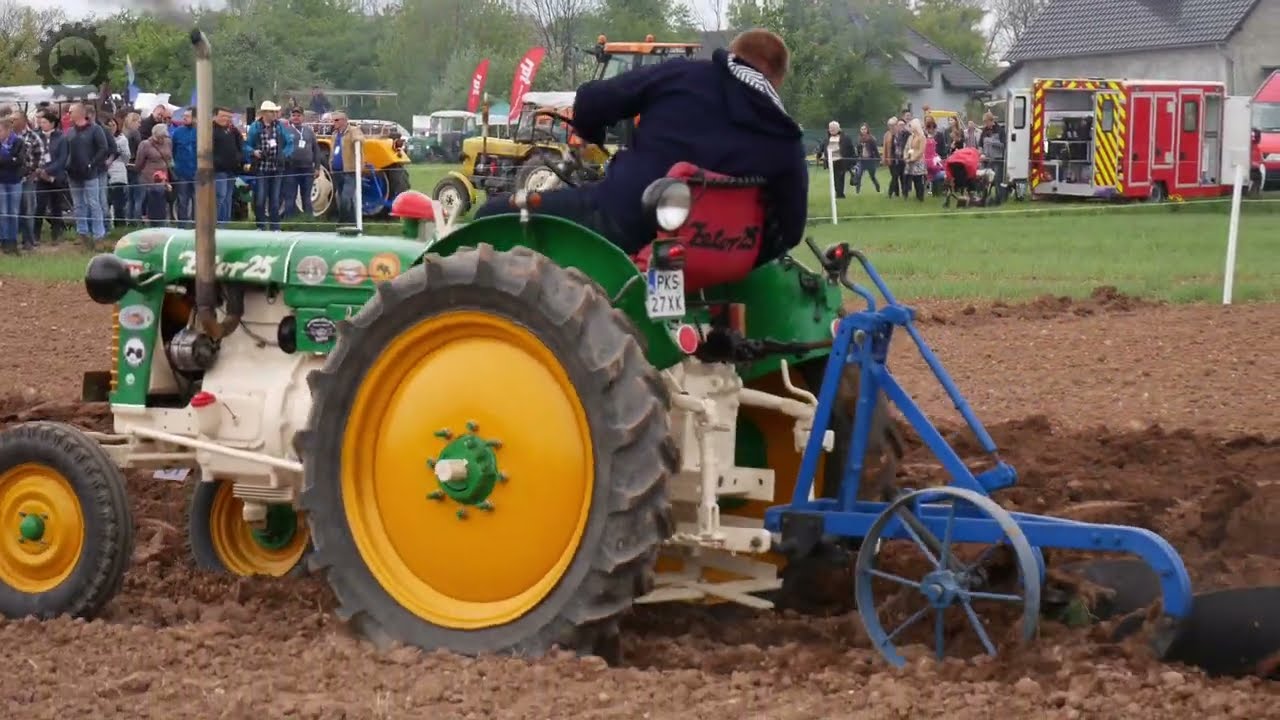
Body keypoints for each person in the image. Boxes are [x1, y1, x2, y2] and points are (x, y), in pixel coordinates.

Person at [474, 28, 808, 261]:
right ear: (777, 79)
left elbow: (591, 98)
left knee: (491, 216)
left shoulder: (686, 76)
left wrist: (592, 131)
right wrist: (738, 256)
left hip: (626, 221)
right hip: (724, 255)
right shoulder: (787, 138)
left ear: (733, 56)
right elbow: (790, 231)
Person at [243, 101, 295, 231]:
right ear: (265, 113)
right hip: (261, 168)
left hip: (277, 168)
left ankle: (275, 226)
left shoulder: (279, 126)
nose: (275, 114)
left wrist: (283, 155)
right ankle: (260, 225)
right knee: (260, 198)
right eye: (272, 112)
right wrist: (254, 152)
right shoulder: (255, 127)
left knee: (275, 198)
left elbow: (290, 142)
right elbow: (247, 145)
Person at [64, 103, 110, 247]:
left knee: (94, 203)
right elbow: (66, 150)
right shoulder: (70, 132)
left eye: (70, 111)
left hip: (90, 173)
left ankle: (99, 235)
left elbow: (103, 148)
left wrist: (92, 163)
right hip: (73, 173)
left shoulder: (95, 130)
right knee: (78, 205)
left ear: (79, 113)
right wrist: (66, 164)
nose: (68, 114)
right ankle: (82, 232)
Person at [32, 110, 67, 245]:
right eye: (41, 123)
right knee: (40, 206)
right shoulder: (37, 136)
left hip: (56, 176)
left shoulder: (61, 138)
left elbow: (62, 159)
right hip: (41, 177)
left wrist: (49, 170)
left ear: (52, 123)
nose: (42, 125)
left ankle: (56, 233)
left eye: (45, 122)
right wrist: (40, 171)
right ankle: (36, 234)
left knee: (56, 206)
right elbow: (34, 154)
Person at [12, 112, 42, 250]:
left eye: (15, 119)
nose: (12, 122)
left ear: (24, 121)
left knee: (28, 209)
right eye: (11, 119)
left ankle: (28, 240)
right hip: (12, 179)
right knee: (13, 210)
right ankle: (12, 240)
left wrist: (34, 172)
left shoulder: (33, 136)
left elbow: (40, 156)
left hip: (28, 178)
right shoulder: (9, 136)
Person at [282, 107, 319, 219]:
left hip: (307, 169)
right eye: (294, 115)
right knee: (290, 196)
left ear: (302, 117)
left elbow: (316, 149)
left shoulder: (309, 131)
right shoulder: (285, 131)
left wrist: (317, 167)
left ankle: (308, 221)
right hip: (291, 168)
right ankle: (289, 221)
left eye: (298, 115)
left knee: (306, 197)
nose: (296, 117)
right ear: (290, 117)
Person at [135, 122, 173, 227]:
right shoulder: (145, 144)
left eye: (164, 137)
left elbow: (170, 157)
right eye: (160, 137)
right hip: (149, 178)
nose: (162, 139)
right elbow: (139, 163)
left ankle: (162, 222)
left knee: (162, 200)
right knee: (146, 200)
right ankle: (143, 222)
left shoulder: (168, 142)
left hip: (163, 177)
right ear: (154, 134)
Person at [328, 111, 363, 222]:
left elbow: (360, 139)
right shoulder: (335, 134)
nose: (334, 122)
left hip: (350, 170)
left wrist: (357, 139)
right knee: (340, 197)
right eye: (333, 120)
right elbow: (333, 151)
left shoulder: (353, 130)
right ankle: (351, 222)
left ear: (344, 120)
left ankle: (343, 222)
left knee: (345, 198)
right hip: (337, 171)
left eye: (337, 120)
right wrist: (331, 163)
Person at [212, 107, 244, 223]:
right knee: (220, 196)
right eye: (224, 116)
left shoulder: (232, 130)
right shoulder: (210, 130)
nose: (227, 119)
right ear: (215, 116)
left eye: (230, 117)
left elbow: (240, 143)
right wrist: (216, 161)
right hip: (218, 170)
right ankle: (218, 223)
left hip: (232, 168)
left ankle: (226, 222)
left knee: (228, 197)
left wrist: (239, 157)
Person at [0, 117, 24, 254]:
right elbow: (11, 160)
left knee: (13, 212)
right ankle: (4, 240)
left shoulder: (18, 142)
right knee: (2, 212)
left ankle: (13, 240)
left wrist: (6, 160)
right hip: (1, 181)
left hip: (15, 181)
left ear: (8, 130)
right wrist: (10, 158)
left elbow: (19, 161)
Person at [170, 108, 197, 228]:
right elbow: (173, 151)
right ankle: (182, 226)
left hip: (198, 172)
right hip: (182, 171)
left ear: (196, 118)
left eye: (187, 116)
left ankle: (198, 226)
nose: (184, 118)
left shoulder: (202, 132)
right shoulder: (177, 132)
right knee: (182, 200)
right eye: (184, 116)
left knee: (198, 201)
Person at [105, 117, 130, 228]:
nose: (111, 127)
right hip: (104, 173)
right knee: (106, 201)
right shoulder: (102, 138)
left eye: (113, 125)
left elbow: (126, 157)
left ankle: (120, 226)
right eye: (109, 125)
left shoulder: (122, 139)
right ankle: (108, 226)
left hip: (118, 173)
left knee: (119, 203)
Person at [822, 121, 856, 199]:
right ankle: (839, 193)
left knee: (839, 178)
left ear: (838, 128)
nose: (832, 130)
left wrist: (853, 162)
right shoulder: (827, 138)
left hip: (841, 161)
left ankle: (840, 194)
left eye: (833, 128)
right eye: (830, 128)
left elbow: (851, 150)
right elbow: (823, 147)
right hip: (831, 162)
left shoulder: (845, 138)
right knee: (834, 179)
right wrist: (820, 154)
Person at [902, 118, 927, 201]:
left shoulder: (922, 137)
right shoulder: (910, 137)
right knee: (906, 178)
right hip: (909, 161)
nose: (910, 127)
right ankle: (905, 196)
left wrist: (913, 158)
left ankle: (920, 197)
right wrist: (905, 156)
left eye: (911, 125)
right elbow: (906, 147)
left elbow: (921, 150)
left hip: (918, 161)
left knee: (918, 180)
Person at [852, 123, 881, 194]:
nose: (863, 130)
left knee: (872, 176)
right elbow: (858, 151)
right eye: (862, 129)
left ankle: (878, 188)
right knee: (858, 175)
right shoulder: (859, 139)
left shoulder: (871, 139)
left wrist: (878, 159)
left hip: (870, 160)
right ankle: (857, 191)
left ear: (867, 130)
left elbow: (875, 150)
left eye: (865, 129)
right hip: (862, 161)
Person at [882, 117, 900, 197]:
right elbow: (885, 147)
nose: (891, 127)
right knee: (894, 176)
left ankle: (893, 193)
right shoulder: (887, 135)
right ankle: (893, 193)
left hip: (899, 158)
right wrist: (884, 158)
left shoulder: (899, 133)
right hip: (891, 158)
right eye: (889, 125)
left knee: (896, 176)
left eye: (893, 125)